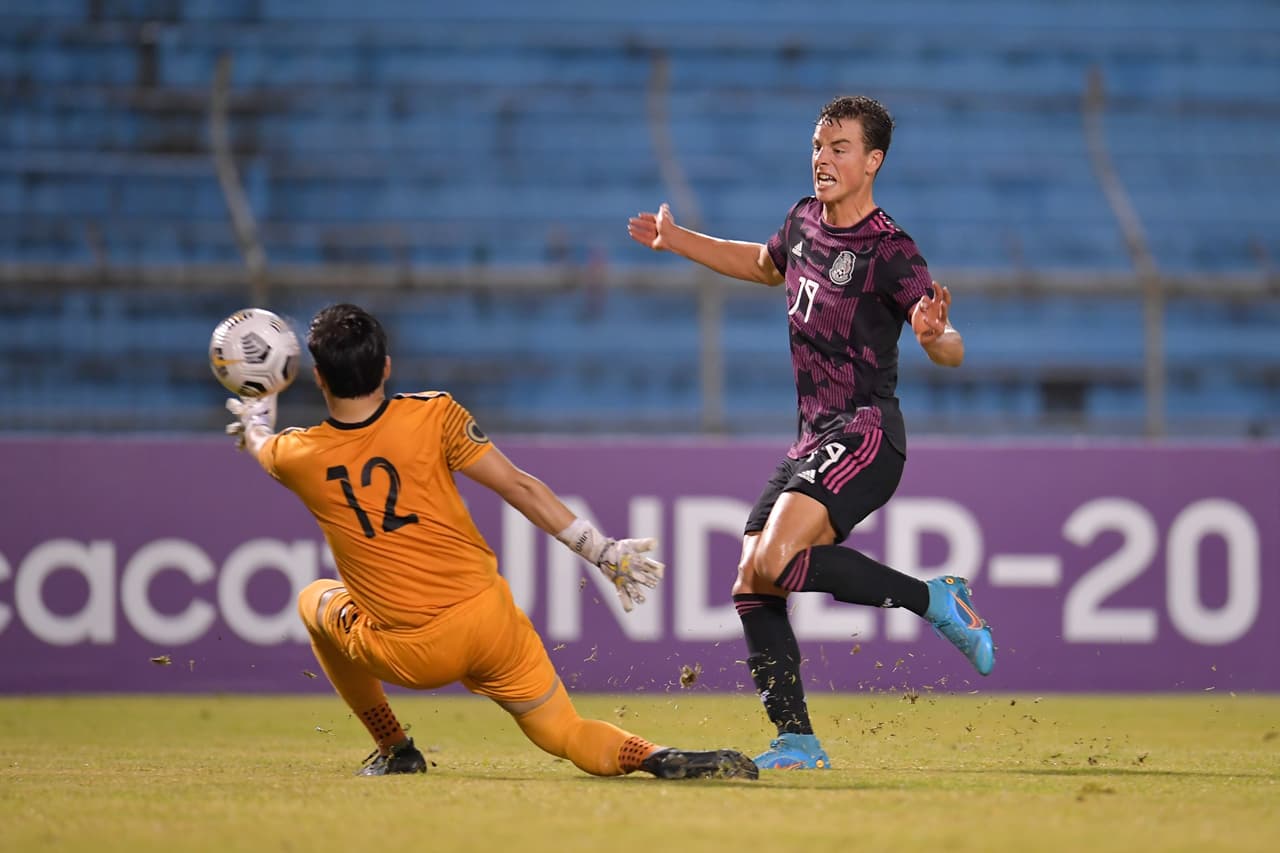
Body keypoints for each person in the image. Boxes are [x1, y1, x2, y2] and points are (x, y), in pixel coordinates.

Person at [223, 302, 758, 781]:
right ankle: (655, 755)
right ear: (386, 365)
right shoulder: (436, 415)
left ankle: (394, 747)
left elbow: (259, 442)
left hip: (413, 653)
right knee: (562, 731)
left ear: (318, 378)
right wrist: (601, 550)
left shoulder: (298, 458)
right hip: (490, 620)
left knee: (312, 599)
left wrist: (257, 408)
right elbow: (520, 486)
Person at [627, 95, 994, 771]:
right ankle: (797, 739)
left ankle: (937, 599)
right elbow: (763, 265)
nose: (824, 160)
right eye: (819, 146)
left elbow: (952, 348)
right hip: (812, 437)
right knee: (751, 579)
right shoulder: (801, 220)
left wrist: (936, 336)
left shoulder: (890, 250)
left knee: (776, 560)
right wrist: (678, 241)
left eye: (840, 148)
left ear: (873, 161)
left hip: (866, 433)